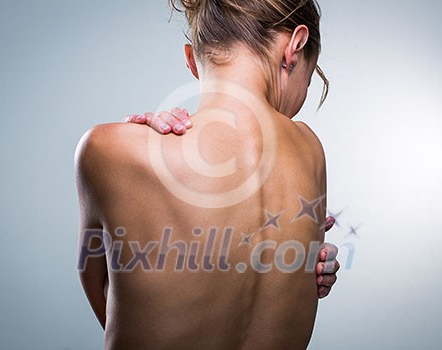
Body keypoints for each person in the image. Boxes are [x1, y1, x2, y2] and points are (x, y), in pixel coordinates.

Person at [75, 0, 340, 348]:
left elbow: (111, 304)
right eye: (308, 80)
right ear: (295, 46)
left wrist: (132, 144)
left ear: (192, 61)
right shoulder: (310, 149)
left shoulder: (108, 148)